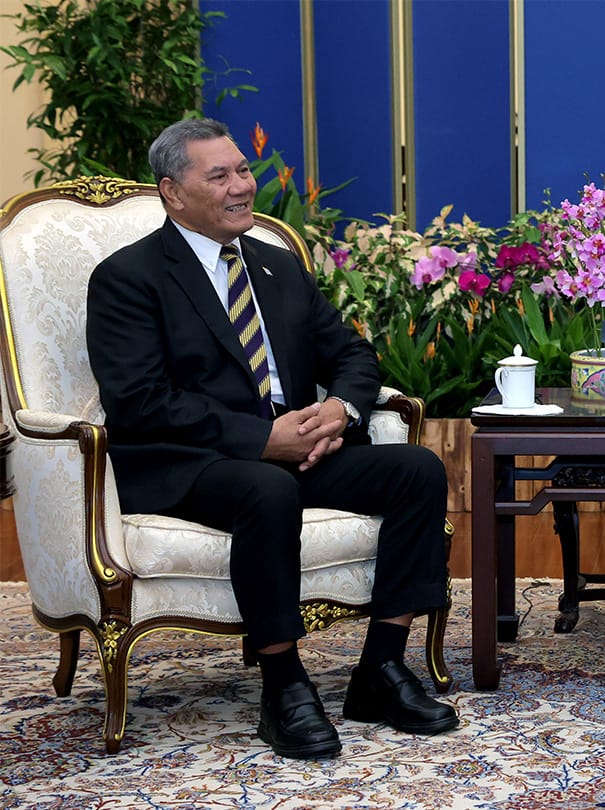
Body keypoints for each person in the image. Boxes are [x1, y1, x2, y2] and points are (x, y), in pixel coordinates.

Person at [86, 117, 459, 760]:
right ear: (173, 191)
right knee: (267, 489)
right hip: (192, 464)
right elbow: (141, 402)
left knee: (417, 471)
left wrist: (339, 410)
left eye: (243, 170)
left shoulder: (277, 264)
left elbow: (351, 353)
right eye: (220, 175)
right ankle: (284, 687)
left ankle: (381, 670)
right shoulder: (128, 277)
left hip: (298, 451)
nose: (242, 187)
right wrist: (264, 441)